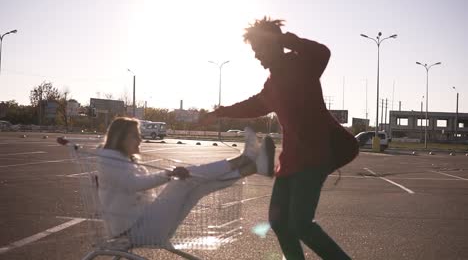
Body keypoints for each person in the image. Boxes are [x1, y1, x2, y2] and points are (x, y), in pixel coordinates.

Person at [203, 17, 358, 259]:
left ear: (273, 44)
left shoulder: (302, 65)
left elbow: (322, 52)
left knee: (301, 224)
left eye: (258, 49)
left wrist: (283, 39)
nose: (256, 56)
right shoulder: (272, 83)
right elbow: (254, 105)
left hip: (314, 158)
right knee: (279, 223)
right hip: (289, 163)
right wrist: (221, 112)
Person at [96, 117, 275, 248]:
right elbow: (134, 184)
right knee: (181, 181)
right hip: (137, 230)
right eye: (135, 136)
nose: (140, 140)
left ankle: (251, 168)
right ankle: (243, 160)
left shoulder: (120, 160)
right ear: (120, 138)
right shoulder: (109, 161)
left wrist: (169, 175)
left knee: (197, 185)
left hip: (143, 225)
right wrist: (169, 174)